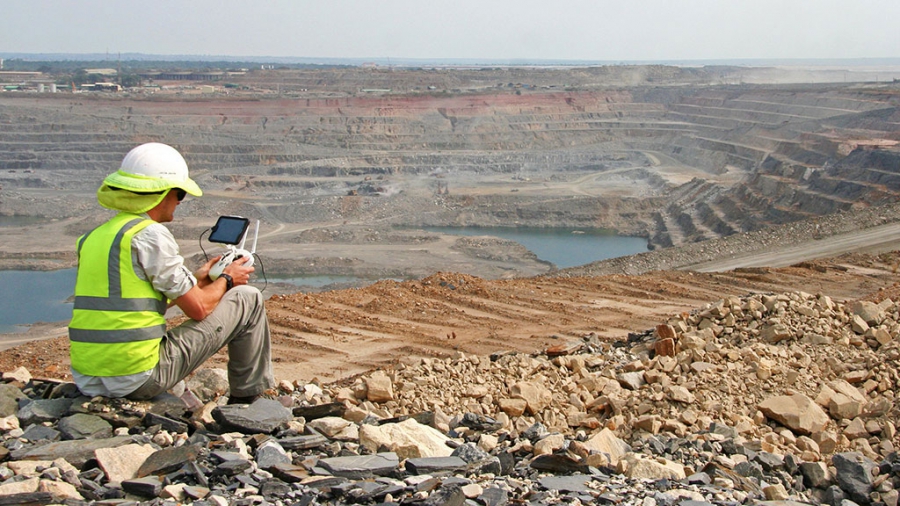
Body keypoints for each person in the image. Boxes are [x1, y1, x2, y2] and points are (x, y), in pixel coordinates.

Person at [68, 142, 274, 404]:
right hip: (137, 378)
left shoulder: (94, 237)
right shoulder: (149, 234)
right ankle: (249, 401)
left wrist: (198, 280)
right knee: (247, 297)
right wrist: (228, 278)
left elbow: (132, 304)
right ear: (163, 193)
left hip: (88, 378)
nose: (178, 202)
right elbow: (198, 309)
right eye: (179, 195)